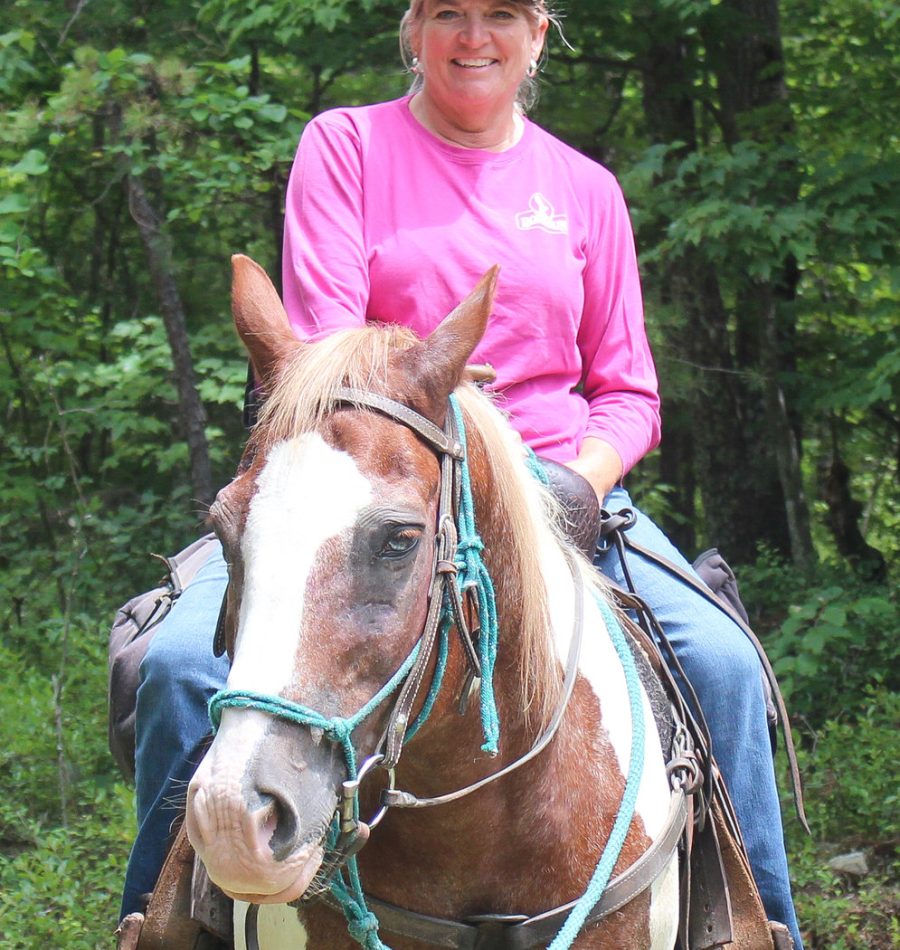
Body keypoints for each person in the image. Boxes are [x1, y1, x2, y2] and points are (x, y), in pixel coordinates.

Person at [123, 1, 803, 946]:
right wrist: (430, 380)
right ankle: (166, 923)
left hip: (564, 491)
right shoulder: (347, 145)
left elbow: (629, 391)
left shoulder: (586, 188)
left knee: (721, 666)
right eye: (448, 11)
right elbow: (323, 351)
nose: (473, 35)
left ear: (538, 34)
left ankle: (759, 925)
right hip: (366, 484)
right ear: (412, 29)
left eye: (500, 14)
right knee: (177, 668)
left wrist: (580, 482)